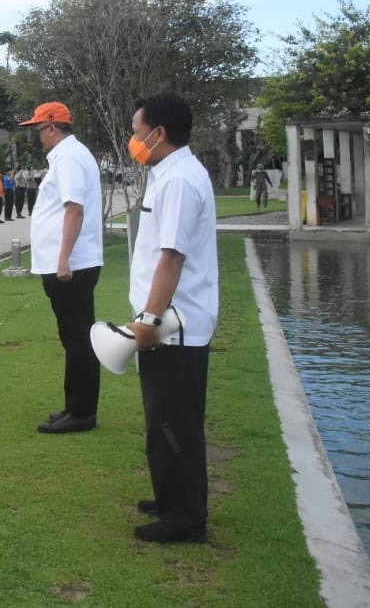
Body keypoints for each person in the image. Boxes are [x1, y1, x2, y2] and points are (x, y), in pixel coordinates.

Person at [124, 93, 218, 543]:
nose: (134, 139)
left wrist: (148, 318)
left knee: (173, 422)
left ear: (158, 134)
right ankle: (172, 496)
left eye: (138, 130)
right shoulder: (169, 174)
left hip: (174, 325)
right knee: (166, 417)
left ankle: (184, 519)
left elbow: (172, 257)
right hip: (169, 321)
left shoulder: (179, 181)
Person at [20, 102, 104, 434]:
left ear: (52, 127)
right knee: (74, 336)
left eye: (37, 130)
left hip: (71, 265)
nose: (36, 136)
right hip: (71, 262)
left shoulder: (68, 157)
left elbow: (74, 210)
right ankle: (76, 406)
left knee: (78, 337)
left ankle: (82, 413)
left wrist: (63, 258)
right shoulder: (68, 156)